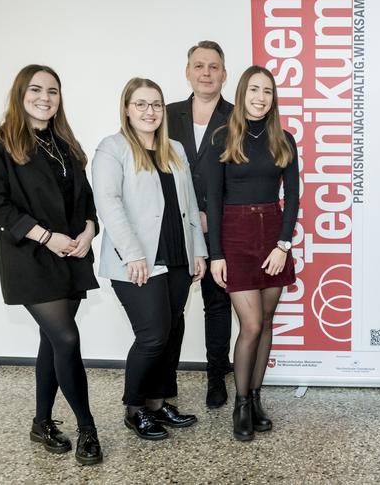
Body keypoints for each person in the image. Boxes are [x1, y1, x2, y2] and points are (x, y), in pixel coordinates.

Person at [0, 64, 103, 465]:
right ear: (20, 93)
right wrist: (47, 237)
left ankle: (41, 422)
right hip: (30, 258)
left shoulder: (65, 144)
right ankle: (88, 429)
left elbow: (85, 200)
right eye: (36, 89)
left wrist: (88, 230)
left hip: (71, 256)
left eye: (53, 91)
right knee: (66, 339)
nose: (45, 97)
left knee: (52, 343)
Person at [92, 78, 206, 440]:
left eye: (155, 104)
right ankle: (135, 407)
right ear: (127, 108)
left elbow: (188, 206)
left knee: (172, 332)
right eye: (140, 104)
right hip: (138, 260)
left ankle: (158, 403)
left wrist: (199, 251)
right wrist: (133, 253)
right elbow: (108, 203)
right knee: (153, 335)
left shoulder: (174, 149)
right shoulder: (113, 148)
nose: (149, 111)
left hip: (176, 256)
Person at [205, 65, 298, 442]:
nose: (261, 97)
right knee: (252, 325)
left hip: (272, 238)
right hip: (235, 237)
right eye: (254, 90)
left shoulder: (284, 139)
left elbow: (291, 196)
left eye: (268, 92)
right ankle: (241, 403)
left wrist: (283, 244)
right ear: (242, 92)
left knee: (267, 322)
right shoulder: (222, 138)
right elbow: (212, 200)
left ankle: (257, 399)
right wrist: (216, 255)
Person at [167, 41, 234, 408]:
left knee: (217, 304)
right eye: (199, 66)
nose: (206, 73)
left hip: (220, 228)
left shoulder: (238, 116)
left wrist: (213, 214)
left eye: (213, 67)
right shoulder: (166, 114)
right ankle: (164, 385)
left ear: (224, 73)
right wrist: (190, 216)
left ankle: (216, 378)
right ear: (188, 72)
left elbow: (240, 175)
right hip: (174, 227)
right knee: (170, 307)